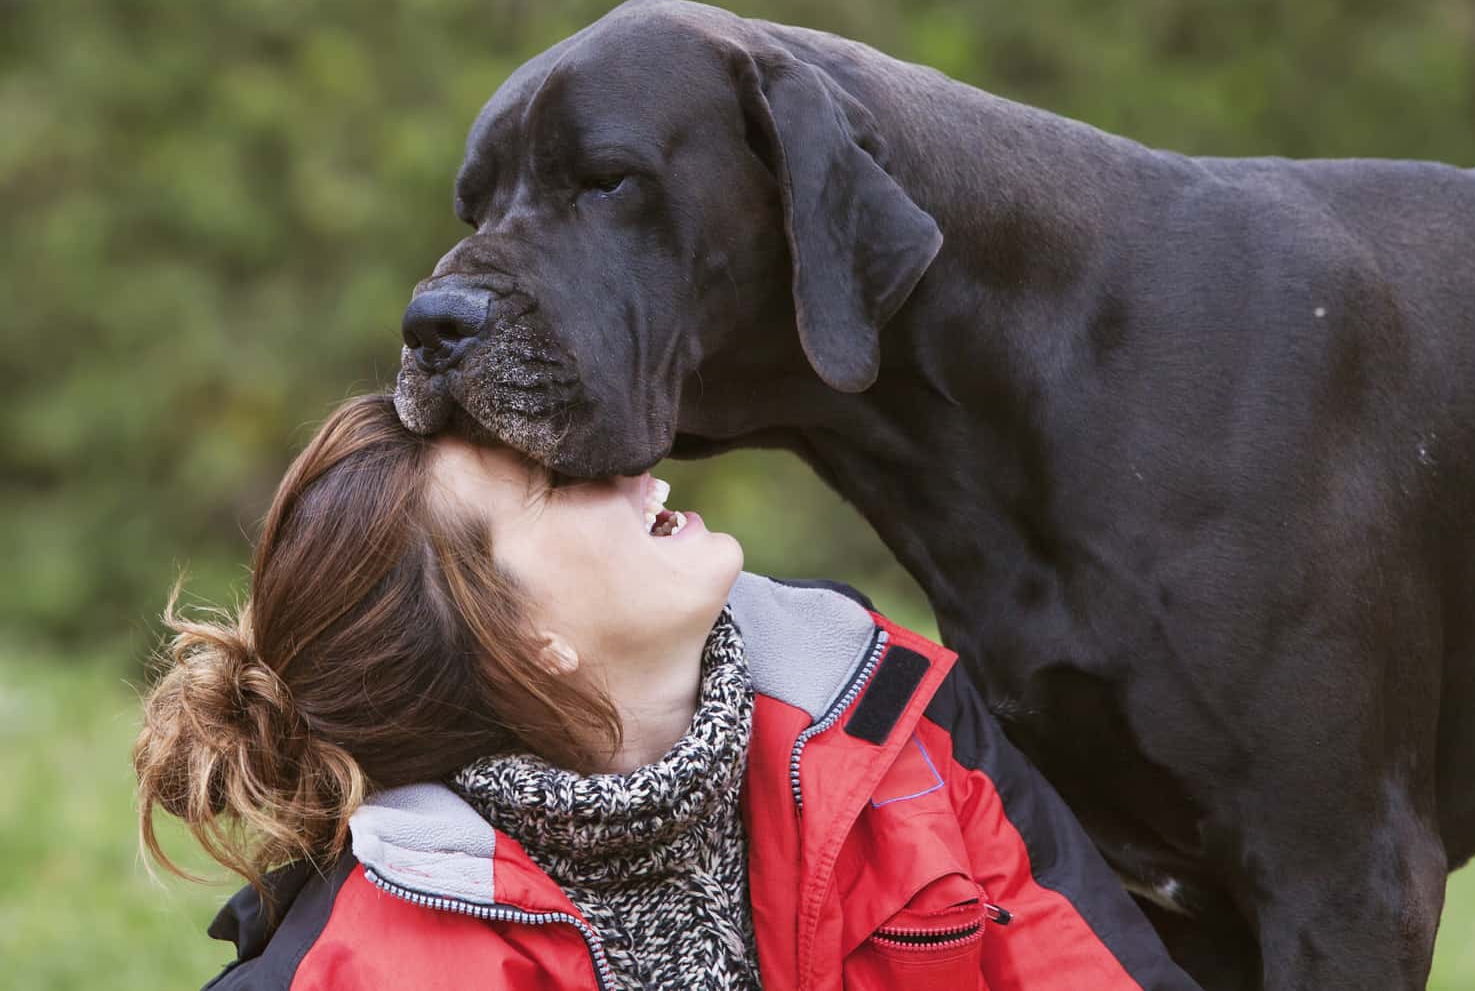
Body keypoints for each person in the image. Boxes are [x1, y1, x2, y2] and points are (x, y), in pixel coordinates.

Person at [135, 392, 1197, 990]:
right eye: (564, 482)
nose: (639, 463)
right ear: (522, 635)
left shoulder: (890, 713)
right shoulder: (354, 972)